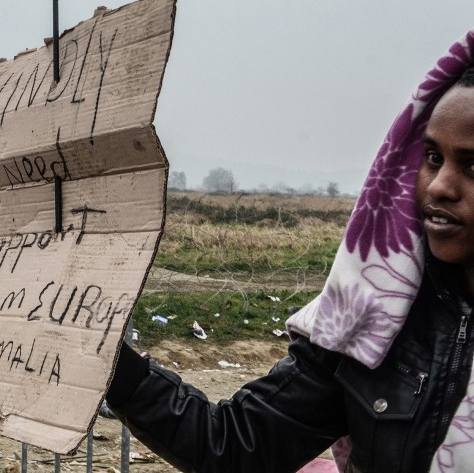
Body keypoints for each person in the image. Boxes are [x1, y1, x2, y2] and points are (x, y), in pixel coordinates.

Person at [104, 31, 474, 473]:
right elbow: (236, 446)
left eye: (471, 166)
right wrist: (110, 365)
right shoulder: (374, 310)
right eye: (433, 158)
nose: (439, 186)